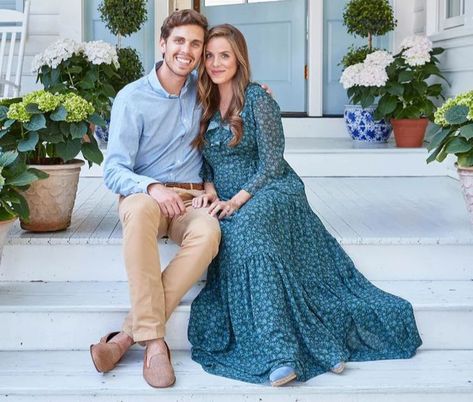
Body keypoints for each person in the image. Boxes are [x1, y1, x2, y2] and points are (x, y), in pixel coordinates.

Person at [188, 24, 423, 387]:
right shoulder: (202, 102)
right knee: (237, 237)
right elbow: (206, 164)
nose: (216, 63)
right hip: (228, 199)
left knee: (249, 231)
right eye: (210, 56)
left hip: (270, 189)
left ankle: (281, 354)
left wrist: (237, 200)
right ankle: (291, 348)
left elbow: (272, 163)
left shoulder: (257, 99)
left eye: (225, 55)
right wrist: (212, 193)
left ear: (239, 59)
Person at [89, 10, 222, 388]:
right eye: (179, 41)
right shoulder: (132, 98)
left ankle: (127, 336)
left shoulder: (205, 90)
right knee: (141, 212)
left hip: (191, 199)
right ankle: (155, 344)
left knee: (210, 233)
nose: (187, 50)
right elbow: (113, 170)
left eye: (195, 44)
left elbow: (238, 89)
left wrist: (261, 94)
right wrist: (151, 187)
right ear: (162, 44)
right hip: (145, 193)